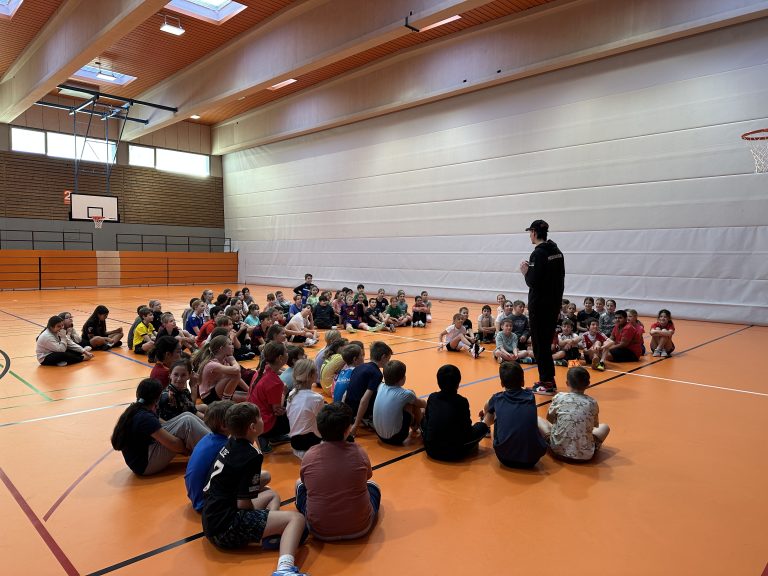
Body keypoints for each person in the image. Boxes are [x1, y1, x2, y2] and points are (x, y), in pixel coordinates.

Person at [201, 403, 309, 576]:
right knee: (297, 520)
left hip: (211, 520)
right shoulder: (251, 455)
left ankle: (271, 534)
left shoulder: (231, 442)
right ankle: (285, 569)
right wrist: (261, 518)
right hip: (225, 528)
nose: (262, 419)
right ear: (252, 427)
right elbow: (243, 504)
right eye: (260, 417)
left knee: (272, 495)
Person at [295, 402, 381, 541]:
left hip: (319, 530)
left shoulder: (310, 455)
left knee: (299, 485)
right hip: (360, 527)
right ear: (347, 430)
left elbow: (305, 482)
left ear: (319, 429)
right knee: (373, 486)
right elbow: (367, 477)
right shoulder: (359, 452)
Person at [110, 378, 210, 476]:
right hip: (145, 465)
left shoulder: (139, 408)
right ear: (157, 398)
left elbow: (166, 424)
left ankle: (213, 437)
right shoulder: (145, 417)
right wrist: (184, 449)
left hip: (142, 459)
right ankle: (215, 448)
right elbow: (173, 443)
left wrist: (183, 435)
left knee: (186, 416)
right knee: (187, 423)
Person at [519, 219, 565, 396]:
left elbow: (533, 281)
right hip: (553, 305)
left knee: (539, 345)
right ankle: (549, 379)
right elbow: (560, 280)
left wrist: (525, 272)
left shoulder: (538, 254)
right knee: (545, 343)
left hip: (540, 306)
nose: (529, 236)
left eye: (530, 232)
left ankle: (547, 383)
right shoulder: (557, 252)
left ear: (534, 232)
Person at [481, 361, 549, 469]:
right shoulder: (530, 396)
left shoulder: (497, 398)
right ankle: (550, 439)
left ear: (502, 384)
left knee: (493, 410)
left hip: (505, 457)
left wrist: (486, 413)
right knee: (537, 419)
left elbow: (487, 407)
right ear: (523, 382)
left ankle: (486, 428)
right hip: (532, 459)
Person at [540, 367, 610, 461]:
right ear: (588, 384)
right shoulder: (592, 402)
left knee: (538, 420)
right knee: (605, 427)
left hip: (557, 451)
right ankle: (583, 446)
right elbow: (593, 425)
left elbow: (549, 419)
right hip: (585, 456)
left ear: (567, 383)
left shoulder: (559, 397)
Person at [422, 364, 489, 461]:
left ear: (438, 382)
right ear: (458, 383)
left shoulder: (432, 397)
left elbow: (427, 420)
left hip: (431, 449)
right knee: (482, 427)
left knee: (424, 419)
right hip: (456, 452)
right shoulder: (462, 401)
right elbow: (467, 430)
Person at [185, 400, 234, 512]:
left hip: (196, 496)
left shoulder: (208, 438)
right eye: (235, 418)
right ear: (224, 426)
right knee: (264, 478)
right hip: (207, 503)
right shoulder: (225, 445)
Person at [247, 341, 291, 453]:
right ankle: (266, 436)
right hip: (263, 422)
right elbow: (277, 410)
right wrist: (284, 393)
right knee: (293, 405)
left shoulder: (261, 370)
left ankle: (272, 436)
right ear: (280, 358)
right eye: (286, 351)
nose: (288, 353)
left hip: (253, 416)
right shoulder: (275, 382)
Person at [344, 341, 393, 437]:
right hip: (360, 412)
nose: (388, 362)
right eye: (388, 359)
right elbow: (364, 400)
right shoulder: (376, 374)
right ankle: (366, 419)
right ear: (383, 357)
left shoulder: (358, 367)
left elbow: (348, 392)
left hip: (350, 410)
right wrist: (355, 425)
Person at [372, 360, 425, 445]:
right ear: (402, 379)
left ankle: (415, 424)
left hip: (379, 434)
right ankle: (420, 426)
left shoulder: (380, 386)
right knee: (411, 400)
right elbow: (422, 404)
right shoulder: (405, 394)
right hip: (396, 438)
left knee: (408, 398)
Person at [286, 359, 324, 459]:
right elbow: (322, 422)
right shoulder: (317, 398)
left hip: (295, 441)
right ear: (310, 376)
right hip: (309, 442)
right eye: (316, 371)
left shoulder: (292, 393)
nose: (318, 372)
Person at [198, 335, 249, 403]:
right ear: (221, 348)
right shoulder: (211, 364)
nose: (232, 346)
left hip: (219, 391)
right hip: (209, 396)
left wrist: (249, 390)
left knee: (249, 397)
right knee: (235, 374)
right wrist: (233, 360)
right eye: (230, 344)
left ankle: (226, 399)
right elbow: (236, 370)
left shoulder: (224, 360)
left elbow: (238, 378)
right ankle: (226, 402)